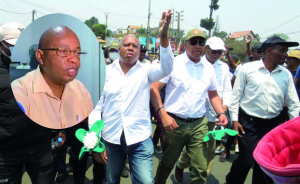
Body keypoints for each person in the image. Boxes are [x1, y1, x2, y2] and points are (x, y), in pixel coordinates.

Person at [89, 10, 174, 184]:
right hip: (110, 138)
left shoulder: (147, 70)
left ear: (139, 51)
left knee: (144, 181)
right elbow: (96, 109)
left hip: (139, 139)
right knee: (111, 180)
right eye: (127, 45)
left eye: (135, 46)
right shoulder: (105, 73)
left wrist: (163, 36)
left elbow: (167, 68)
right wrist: (95, 142)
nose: (131, 48)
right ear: (118, 49)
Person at [151, 29, 228, 184]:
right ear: (185, 45)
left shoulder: (208, 68)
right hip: (174, 123)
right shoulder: (174, 63)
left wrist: (221, 112)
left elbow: (213, 94)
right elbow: (154, 88)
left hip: (199, 123)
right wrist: (162, 114)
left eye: (201, 42)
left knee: (200, 168)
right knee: (167, 164)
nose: (197, 45)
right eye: (193, 42)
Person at [226, 36, 300, 184]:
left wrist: (294, 129)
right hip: (248, 123)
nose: (286, 54)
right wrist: (234, 120)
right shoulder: (247, 69)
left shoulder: (285, 74)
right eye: (282, 50)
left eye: (287, 51)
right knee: (246, 160)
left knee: (266, 165)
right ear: (269, 51)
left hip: (274, 126)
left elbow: (294, 103)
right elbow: (235, 97)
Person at [0, 22, 54, 184]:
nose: (16, 50)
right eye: (12, 45)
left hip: (40, 148)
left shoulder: (39, 68)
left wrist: (61, 129)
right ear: (1, 45)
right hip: (6, 153)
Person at [11, 25, 94, 129]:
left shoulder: (81, 90)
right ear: (40, 56)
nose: (75, 60)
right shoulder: (20, 92)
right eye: (63, 51)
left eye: (77, 53)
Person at [174, 36, 232, 181]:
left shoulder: (224, 67)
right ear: (206, 49)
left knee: (210, 150)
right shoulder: (197, 62)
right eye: (213, 51)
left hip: (216, 116)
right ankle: (181, 165)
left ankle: (202, 177)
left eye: (219, 52)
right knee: (194, 149)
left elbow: (227, 91)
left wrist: (222, 111)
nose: (216, 54)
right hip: (197, 114)